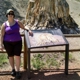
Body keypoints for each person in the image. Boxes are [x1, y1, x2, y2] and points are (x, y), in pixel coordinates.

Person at [0, 9, 33, 79]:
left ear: (13, 15)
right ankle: (13, 69)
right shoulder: (4, 24)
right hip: (7, 43)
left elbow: (24, 27)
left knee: (17, 56)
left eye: (12, 14)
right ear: (7, 15)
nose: (10, 15)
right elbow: (2, 35)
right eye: (9, 14)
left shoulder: (17, 22)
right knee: (10, 56)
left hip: (17, 42)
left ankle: (18, 71)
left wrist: (29, 30)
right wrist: (1, 44)